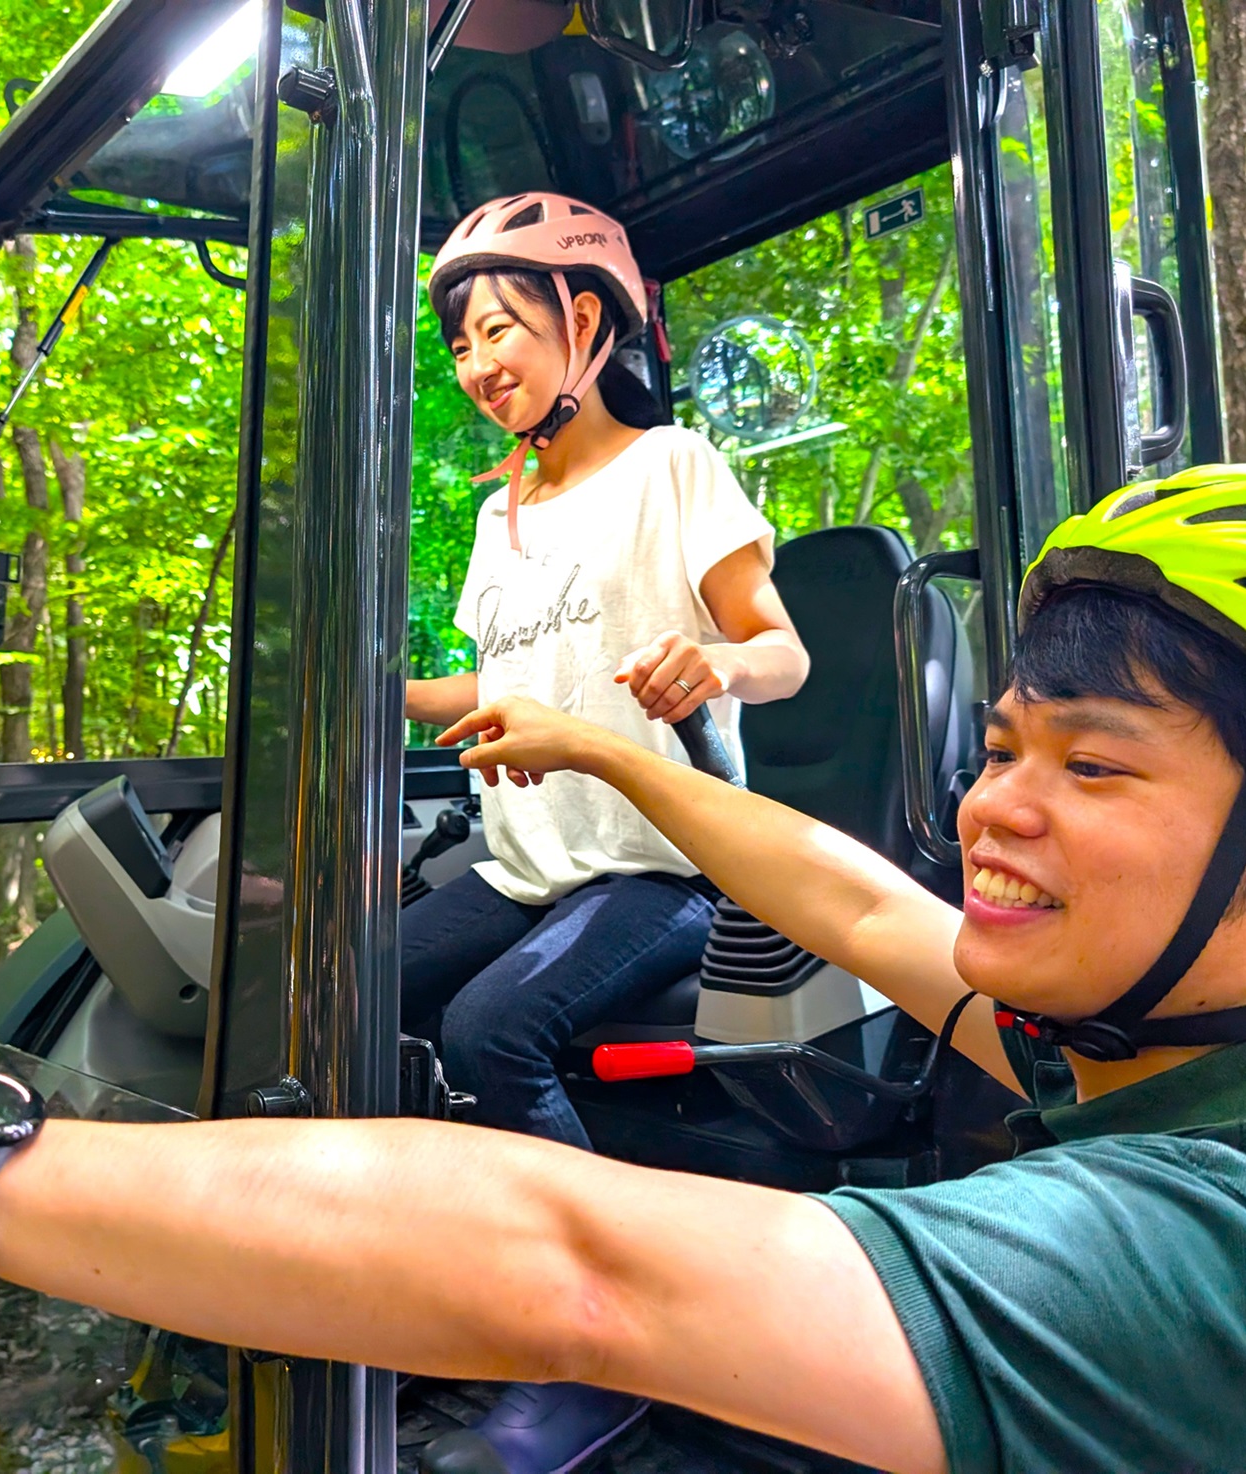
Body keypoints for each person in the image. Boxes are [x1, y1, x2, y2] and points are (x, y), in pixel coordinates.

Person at [0, 465, 1246, 1474]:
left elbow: (576, 1263)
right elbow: (851, 903)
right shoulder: (1142, 1033)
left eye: (1090, 767)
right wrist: (592, 746)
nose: (997, 808)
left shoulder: (1228, 1255)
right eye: (1000, 745)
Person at [403, 195, 808, 1474]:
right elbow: (487, 687)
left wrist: (713, 665)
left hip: (656, 864)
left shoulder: (671, 466)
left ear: (581, 320)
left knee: (489, 1030)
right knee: (349, 990)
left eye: (501, 330)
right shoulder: (496, 520)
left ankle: (602, 1350)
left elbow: (781, 653)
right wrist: (351, 684)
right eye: (462, 344)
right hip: (525, 862)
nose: (479, 367)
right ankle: (428, 1282)